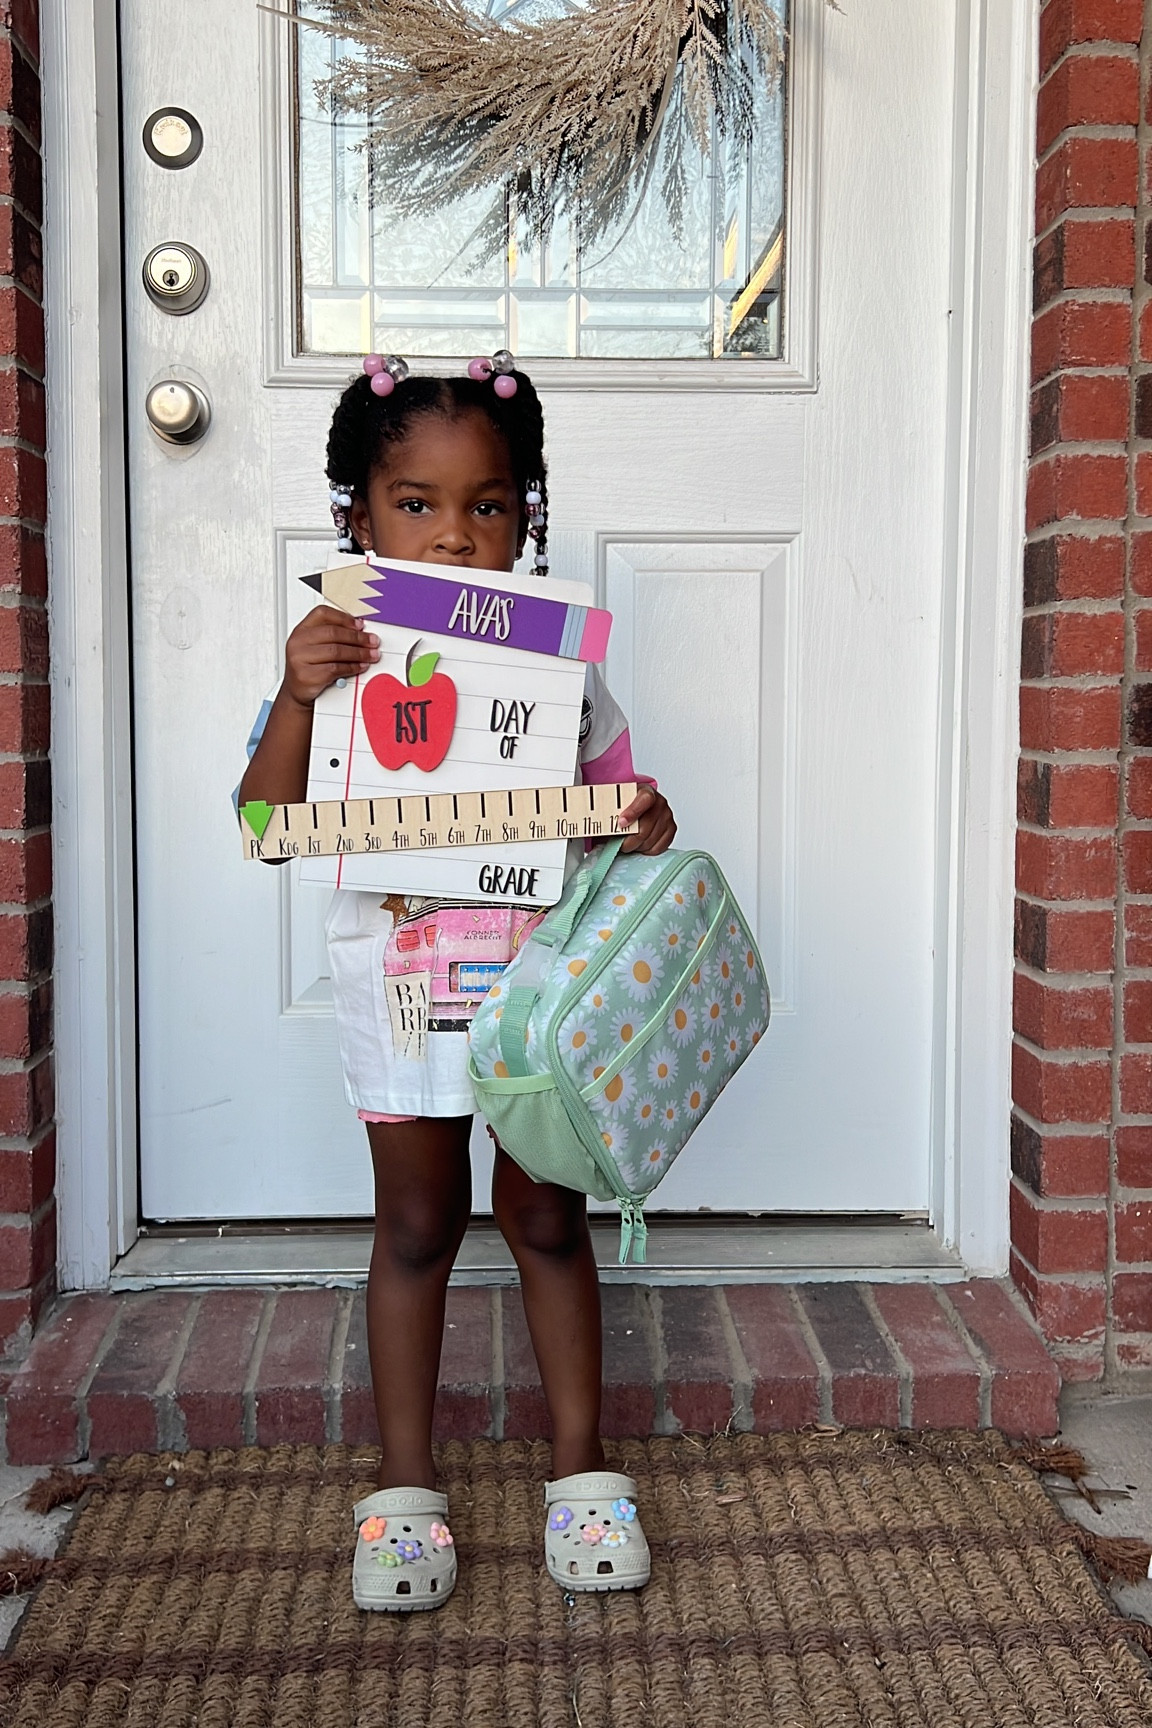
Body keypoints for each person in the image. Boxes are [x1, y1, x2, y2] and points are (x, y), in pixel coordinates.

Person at [239, 352, 675, 1611]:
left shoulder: (553, 668)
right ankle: (405, 1491)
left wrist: (637, 817)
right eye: (415, 503)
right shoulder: (336, 662)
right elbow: (267, 823)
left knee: (545, 1215)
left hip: (537, 992)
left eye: (488, 504)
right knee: (419, 1224)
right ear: (357, 520)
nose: (456, 535)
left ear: (525, 517)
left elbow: (614, 803)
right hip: (402, 986)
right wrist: (294, 691)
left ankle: (582, 1470)